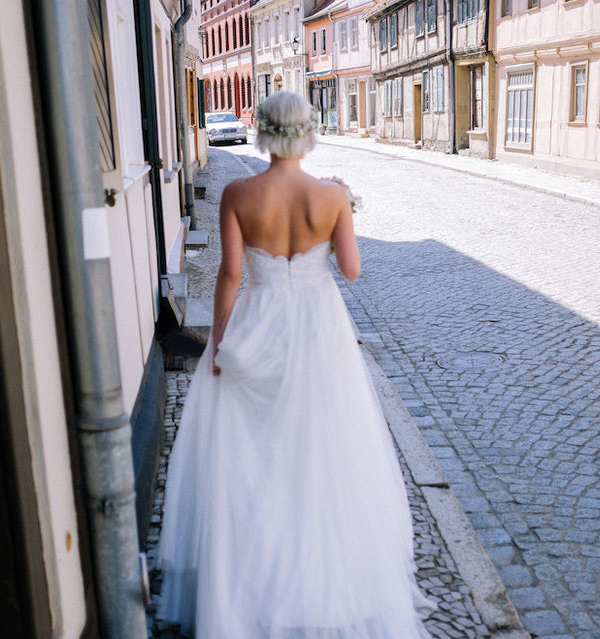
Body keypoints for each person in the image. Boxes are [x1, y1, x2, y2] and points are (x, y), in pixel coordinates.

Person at [156, 91, 432, 637]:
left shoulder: (238, 192)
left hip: (258, 326)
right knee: (321, 450)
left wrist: (219, 341)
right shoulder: (330, 196)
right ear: (306, 132)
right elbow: (351, 271)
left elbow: (230, 276)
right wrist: (340, 212)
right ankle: (323, 583)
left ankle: (250, 582)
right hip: (317, 329)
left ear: (262, 131)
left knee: (256, 453)